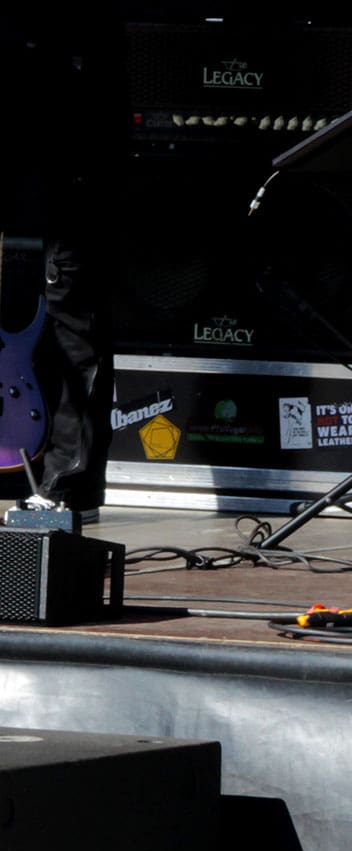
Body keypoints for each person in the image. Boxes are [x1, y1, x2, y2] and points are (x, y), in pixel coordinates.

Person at [1, 10, 121, 524]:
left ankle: (69, 486)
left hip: (68, 198)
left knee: (77, 336)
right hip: (42, 195)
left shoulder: (67, 43)